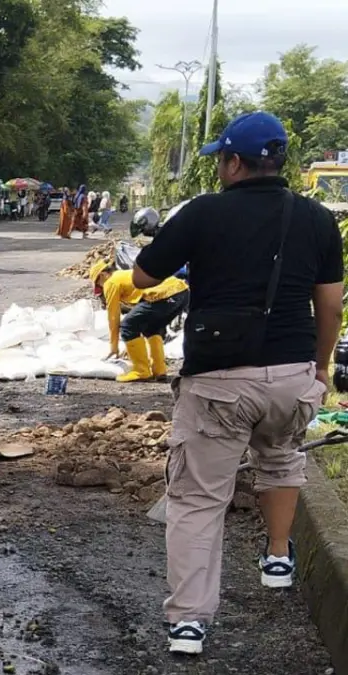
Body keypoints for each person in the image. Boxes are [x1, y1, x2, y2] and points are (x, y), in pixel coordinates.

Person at [131, 111, 344, 655]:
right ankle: (277, 555)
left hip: (220, 381)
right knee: (280, 459)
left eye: (221, 160)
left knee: (199, 498)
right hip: (292, 375)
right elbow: (330, 304)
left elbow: (143, 276)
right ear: (278, 163)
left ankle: (188, 624)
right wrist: (318, 368)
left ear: (231, 162)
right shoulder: (318, 219)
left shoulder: (204, 213)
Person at [90, 261, 188, 382]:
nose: (100, 287)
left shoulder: (111, 282)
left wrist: (113, 347)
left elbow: (113, 316)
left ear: (103, 274)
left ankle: (141, 371)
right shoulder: (124, 275)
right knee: (151, 328)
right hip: (182, 293)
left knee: (127, 327)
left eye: (98, 283)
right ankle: (159, 370)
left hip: (164, 294)